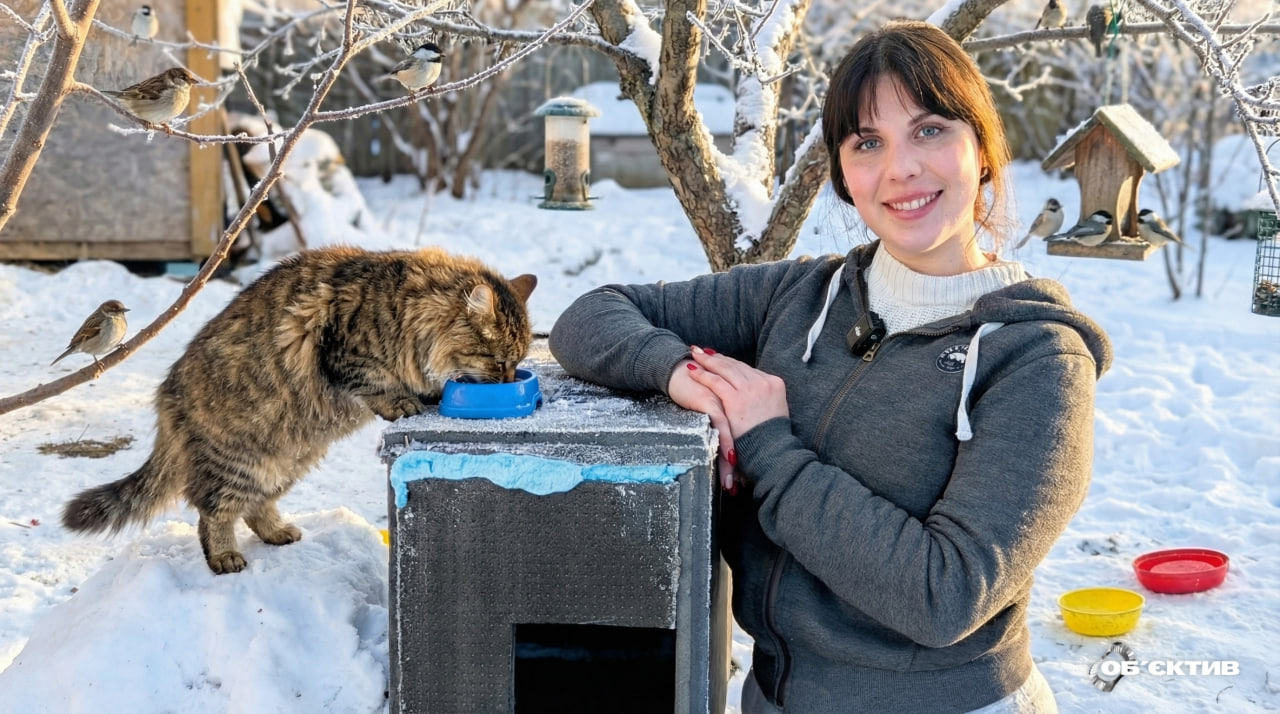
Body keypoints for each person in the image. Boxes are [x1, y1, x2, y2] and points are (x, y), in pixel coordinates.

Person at [549, 19, 1111, 714]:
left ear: (984, 150)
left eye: (929, 130)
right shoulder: (798, 296)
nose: (900, 168)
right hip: (773, 696)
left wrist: (767, 447)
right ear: (844, 174)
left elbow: (945, 595)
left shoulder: (1037, 359)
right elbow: (591, 315)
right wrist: (685, 378)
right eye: (868, 142)